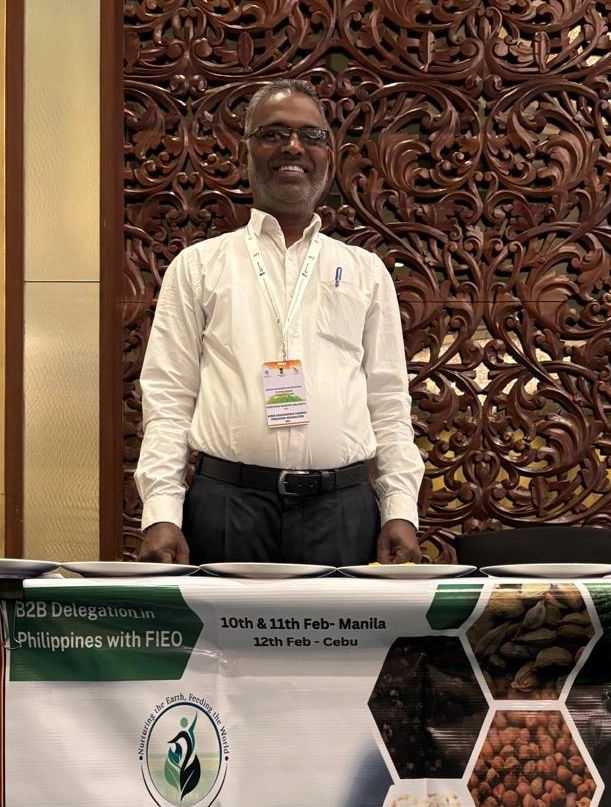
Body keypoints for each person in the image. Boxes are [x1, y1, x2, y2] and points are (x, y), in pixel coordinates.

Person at [136, 78, 424, 566]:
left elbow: (389, 402)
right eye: (273, 134)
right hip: (227, 505)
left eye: (310, 136)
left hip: (341, 510)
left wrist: (400, 508)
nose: (293, 147)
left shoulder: (365, 271)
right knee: (224, 645)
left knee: (340, 643)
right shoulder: (199, 265)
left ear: (328, 156)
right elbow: (168, 398)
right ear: (246, 150)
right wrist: (162, 511)